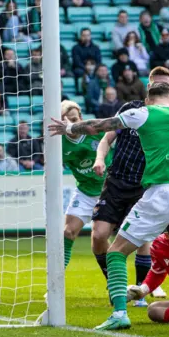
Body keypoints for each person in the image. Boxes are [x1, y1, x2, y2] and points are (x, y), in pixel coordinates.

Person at [48, 82, 169, 330]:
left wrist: (69, 127)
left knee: (116, 251)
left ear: (148, 99)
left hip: (162, 191)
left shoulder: (144, 113)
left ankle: (120, 313)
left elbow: (100, 125)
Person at [91, 68, 169, 306]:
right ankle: (115, 283)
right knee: (98, 236)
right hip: (117, 180)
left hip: (146, 184)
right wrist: (100, 159)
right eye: (156, 85)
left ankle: (138, 293)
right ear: (148, 87)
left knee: (142, 240)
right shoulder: (130, 109)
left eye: (165, 86)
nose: (160, 89)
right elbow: (107, 137)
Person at [54, 101, 113, 276]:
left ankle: (146, 283)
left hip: (110, 190)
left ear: (80, 118)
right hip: (86, 192)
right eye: (66, 120)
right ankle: (55, 285)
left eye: (74, 119)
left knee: (125, 237)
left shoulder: (93, 130)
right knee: (68, 232)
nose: (70, 124)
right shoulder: (59, 143)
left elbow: (113, 128)